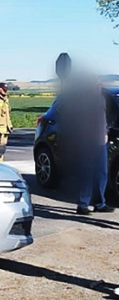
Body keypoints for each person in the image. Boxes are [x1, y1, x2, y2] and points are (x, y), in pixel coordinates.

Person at [59, 74, 114, 215]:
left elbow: (103, 119)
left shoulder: (101, 98)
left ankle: (99, 203)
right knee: (87, 173)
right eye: (96, 81)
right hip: (88, 141)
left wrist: (106, 131)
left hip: (101, 140)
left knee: (101, 172)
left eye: (99, 82)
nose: (99, 84)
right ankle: (82, 204)